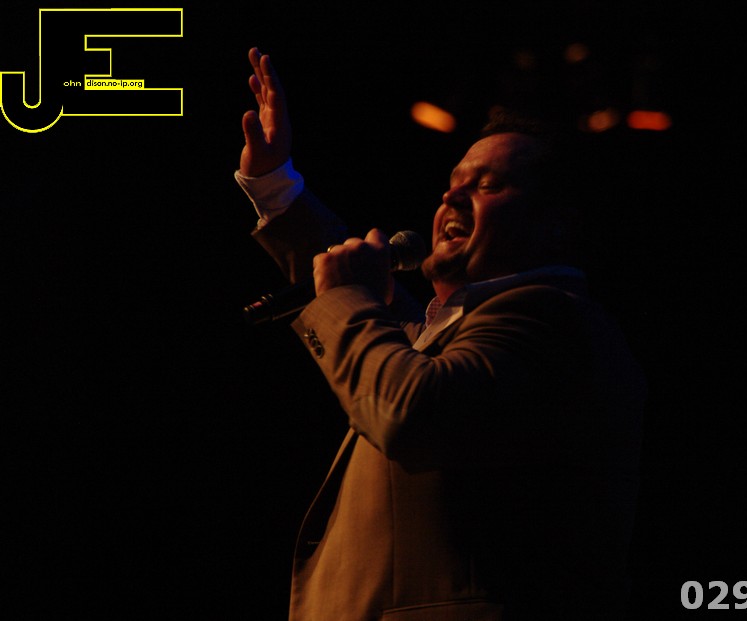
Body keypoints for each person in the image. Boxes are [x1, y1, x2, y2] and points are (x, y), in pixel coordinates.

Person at [235, 47, 645, 621]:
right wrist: (276, 183)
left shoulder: (553, 319)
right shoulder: (471, 328)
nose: (450, 197)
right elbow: (382, 324)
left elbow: (411, 406)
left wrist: (348, 296)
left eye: (489, 185)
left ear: (553, 224)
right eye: (453, 183)